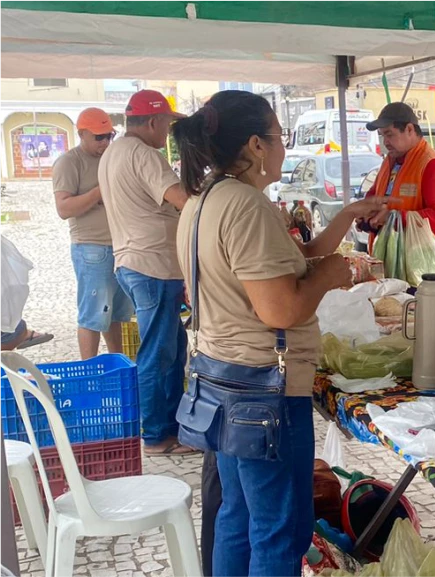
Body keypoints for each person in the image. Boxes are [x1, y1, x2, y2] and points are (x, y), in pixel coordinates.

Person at [172, 90, 391, 577]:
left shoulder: (206, 200)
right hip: (263, 393)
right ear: (255, 144)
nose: (283, 147)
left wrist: (345, 218)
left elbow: (293, 259)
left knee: (239, 515)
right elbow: (281, 308)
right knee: (280, 529)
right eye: (279, 137)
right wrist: (332, 275)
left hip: (224, 382)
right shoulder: (246, 207)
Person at [98, 90, 194, 456]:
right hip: (150, 264)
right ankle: (156, 434)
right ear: (153, 122)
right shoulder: (143, 154)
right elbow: (183, 200)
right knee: (157, 353)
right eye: (168, 124)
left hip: (135, 262)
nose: (168, 132)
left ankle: (172, 426)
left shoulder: (114, 152)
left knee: (171, 347)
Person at [53, 107, 134, 359]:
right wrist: (100, 191)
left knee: (116, 313)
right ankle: (88, 371)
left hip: (120, 244)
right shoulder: (69, 162)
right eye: (98, 137)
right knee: (92, 315)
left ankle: (118, 364)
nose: (105, 142)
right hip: (91, 247)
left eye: (109, 136)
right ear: (81, 134)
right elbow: (64, 208)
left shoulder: (111, 158)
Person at [360, 102, 435, 252]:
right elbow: (374, 194)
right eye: (382, 135)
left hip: (421, 265)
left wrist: (393, 219)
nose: (385, 142)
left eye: (389, 134)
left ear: (409, 129)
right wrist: (366, 213)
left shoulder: (433, 165)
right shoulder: (389, 161)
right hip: (387, 258)